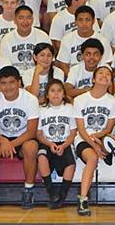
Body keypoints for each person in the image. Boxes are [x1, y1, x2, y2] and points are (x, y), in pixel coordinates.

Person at [0, 66, 41, 209]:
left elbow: (31, 132)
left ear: (19, 82)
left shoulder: (31, 99)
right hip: (2, 136)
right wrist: (3, 141)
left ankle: (28, 190)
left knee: (31, 147)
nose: (8, 87)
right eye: (3, 83)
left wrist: (10, 144)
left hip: (23, 137)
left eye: (11, 82)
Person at [73, 66, 115, 216]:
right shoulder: (80, 99)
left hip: (101, 137)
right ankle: (83, 199)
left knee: (112, 138)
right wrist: (93, 144)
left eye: (108, 74)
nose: (104, 75)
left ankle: (111, 151)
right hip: (84, 138)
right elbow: (81, 129)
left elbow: (108, 128)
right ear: (93, 79)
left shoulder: (113, 102)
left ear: (111, 82)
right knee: (93, 158)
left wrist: (98, 137)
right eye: (101, 73)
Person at [36, 80, 77, 208]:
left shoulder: (69, 108)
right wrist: (49, 144)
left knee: (70, 165)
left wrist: (64, 145)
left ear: (64, 94)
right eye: (52, 91)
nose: (56, 94)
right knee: (41, 158)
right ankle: (51, 192)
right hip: (47, 142)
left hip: (64, 142)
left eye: (59, 91)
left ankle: (62, 195)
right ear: (47, 95)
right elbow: (38, 134)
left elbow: (73, 132)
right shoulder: (41, 110)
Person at [0, 5, 50, 71]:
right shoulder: (6, 39)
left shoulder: (43, 36)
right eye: (21, 18)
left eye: (28, 18)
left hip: (38, 74)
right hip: (14, 76)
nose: (25, 21)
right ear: (14, 20)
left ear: (33, 19)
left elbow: (49, 61)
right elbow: (5, 66)